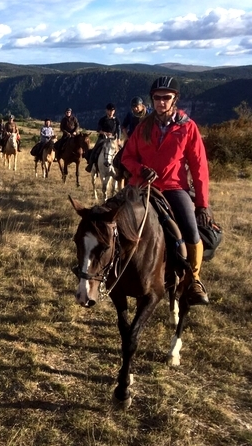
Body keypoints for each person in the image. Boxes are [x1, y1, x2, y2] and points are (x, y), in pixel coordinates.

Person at [121, 76, 211, 305]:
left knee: (191, 231)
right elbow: (127, 157)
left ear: (175, 99)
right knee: (112, 219)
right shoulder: (143, 126)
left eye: (166, 98)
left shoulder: (188, 127)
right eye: (157, 97)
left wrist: (202, 204)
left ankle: (194, 279)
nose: (161, 102)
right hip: (141, 186)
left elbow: (199, 167)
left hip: (173, 187)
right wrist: (140, 170)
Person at [85, 103, 121, 172]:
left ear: (114, 111)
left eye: (112, 111)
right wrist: (105, 133)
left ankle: (122, 167)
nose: (111, 112)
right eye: (109, 110)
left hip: (113, 139)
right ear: (106, 111)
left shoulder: (116, 120)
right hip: (103, 138)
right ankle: (90, 164)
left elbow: (119, 130)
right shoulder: (102, 120)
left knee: (121, 150)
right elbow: (98, 130)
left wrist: (118, 139)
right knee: (95, 149)